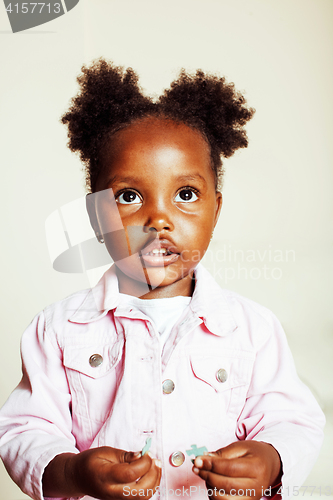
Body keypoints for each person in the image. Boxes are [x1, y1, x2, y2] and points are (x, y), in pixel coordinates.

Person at [0, 59, 325, 500]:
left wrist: (271, 460)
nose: (159, 218)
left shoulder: (254, 329)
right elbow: (24, 428)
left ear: (216, 209)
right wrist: (73, 471)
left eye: (185, 195)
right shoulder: (56, 330)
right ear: (98, 217)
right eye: (129, 197)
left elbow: (292, 421)